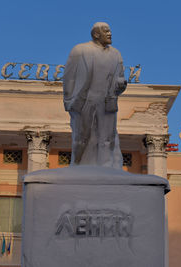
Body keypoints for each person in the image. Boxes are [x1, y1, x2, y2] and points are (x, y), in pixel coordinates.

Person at [63, 22, 127, 169]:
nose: (110, 33)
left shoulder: (115, 54)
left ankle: (107, 167)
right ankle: (77, 166)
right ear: (96, 34)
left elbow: (120, 77)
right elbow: (69, 77)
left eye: (110, 31)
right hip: (85, 101)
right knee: (81, 138)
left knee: (108, 138)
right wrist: (69, 101)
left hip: (107, 102)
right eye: (106, 31)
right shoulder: (80, 50)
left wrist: (121, 85)